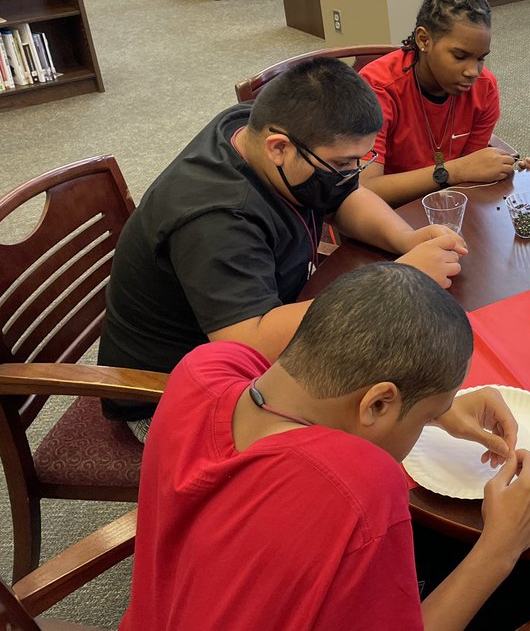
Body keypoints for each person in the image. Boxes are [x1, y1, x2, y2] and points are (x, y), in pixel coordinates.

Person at [122, 262, 530, 630]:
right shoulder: (360, 485)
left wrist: (428, 406)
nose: (434, 419)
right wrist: (503, 545)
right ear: (377, 403)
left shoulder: (205, 366)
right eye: (429, 413)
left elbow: (294, 380)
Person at [98, 58, 466, 438]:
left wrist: (405, 239)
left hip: (258, 320)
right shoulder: (215, 219)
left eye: (359, 160)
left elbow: (342, 196)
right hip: (170, 393)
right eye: (342, 163)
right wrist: (398, 277)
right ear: (278, 147)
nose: (353, 174)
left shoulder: (255, 129)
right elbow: (249, 342)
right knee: (366, 437)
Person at [358, 0, 530, 207]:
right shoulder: (377, 88)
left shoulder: (485, 88)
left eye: (481, 58)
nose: (473, 71)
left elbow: (471, 176)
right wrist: (451, 171)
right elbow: (363, 190)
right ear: (423, 40)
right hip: (387, 214)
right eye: (460, 56)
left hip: (448, 207)